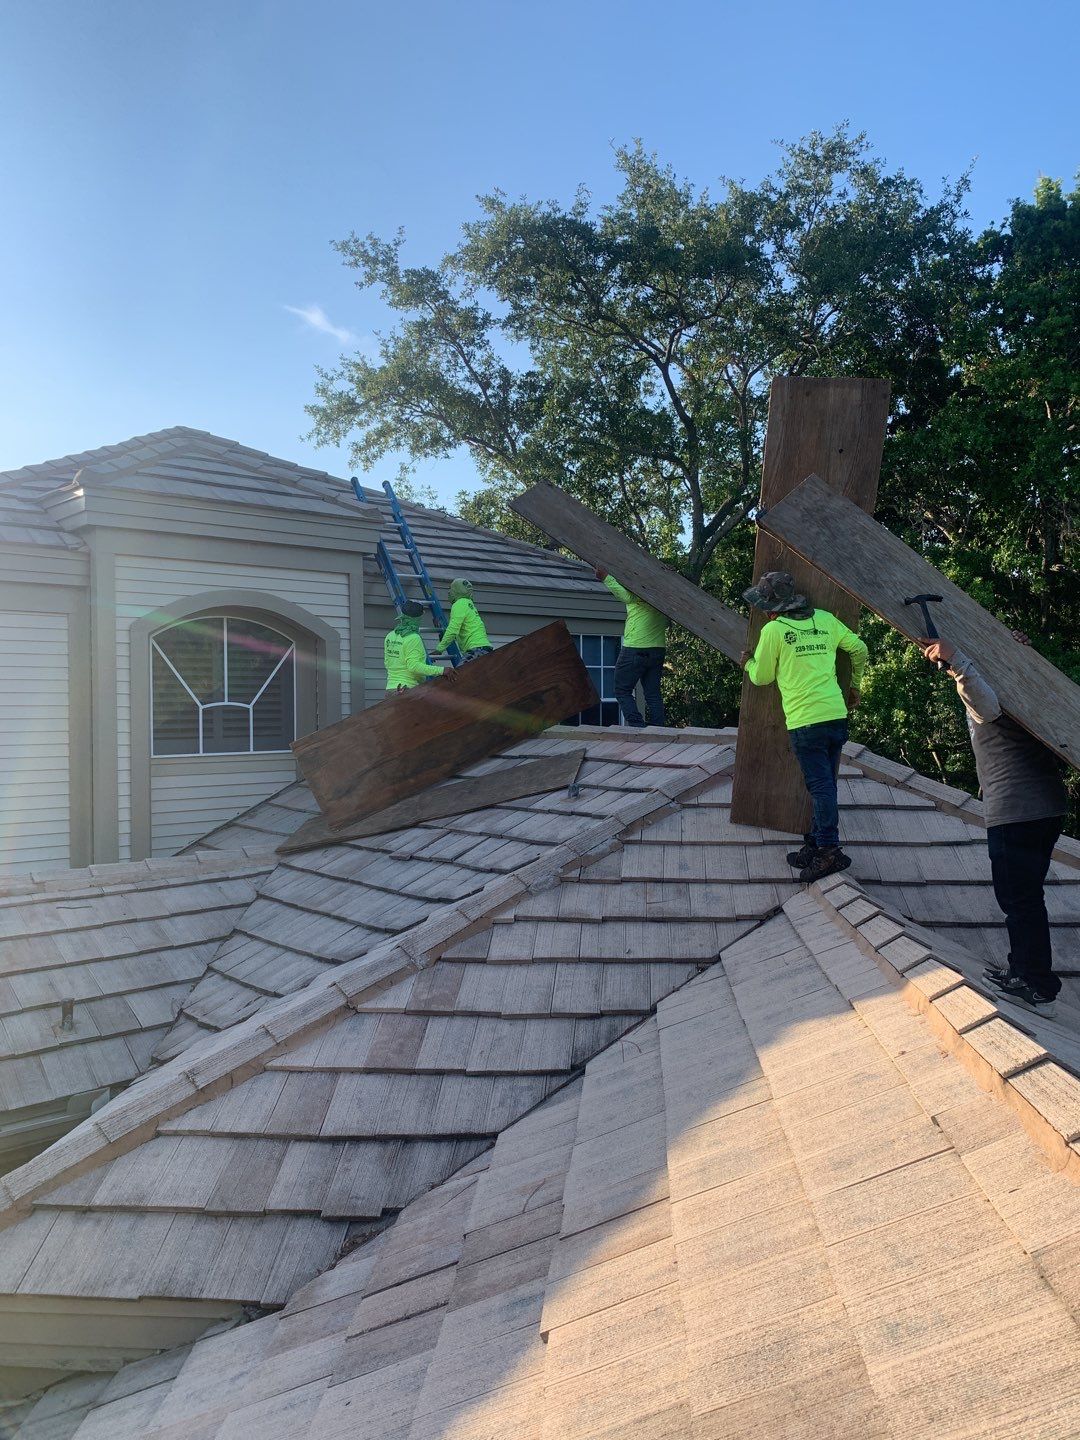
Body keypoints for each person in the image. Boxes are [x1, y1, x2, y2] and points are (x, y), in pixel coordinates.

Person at [920, 633, 1068, 1016]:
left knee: (1019, 900)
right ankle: (1027, 972)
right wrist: (1025, 649)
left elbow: (983, 706)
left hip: (1016, 811)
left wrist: (956, 660)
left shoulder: (992, 689)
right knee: (1027, 897)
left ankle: (1034, 983)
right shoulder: (1029, 688)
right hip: (1046, 807)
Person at [741, 570, 868, 884]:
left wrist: (747, 662)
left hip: (805, 721)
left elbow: (762, 677)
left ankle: (828, 851)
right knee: (824, 784)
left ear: (774, 608)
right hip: (835, 715)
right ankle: (813, 844)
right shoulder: (825, 619)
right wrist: (855, 686)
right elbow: (860, 649)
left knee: (820, 786)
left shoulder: (774, 631)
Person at [595, 568, 668, 727]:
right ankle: (659, 730)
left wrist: (606, 578)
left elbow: (625, 595)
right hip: (657, 648)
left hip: (635, 647)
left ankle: (638, 727)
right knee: (653, 694)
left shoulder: (639, 590)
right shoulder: (663, 596)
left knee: (622, 690)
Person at [384, 601, 445, 690]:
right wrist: (442, 670)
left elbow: (387, 663)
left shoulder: (390, 636)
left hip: (390, 689)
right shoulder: (413, 638)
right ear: (418, 618)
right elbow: (414, 666)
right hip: (407, 689)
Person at [436, 579, 492, 661]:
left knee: (461, 673)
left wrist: (439, 649)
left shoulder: (459, 604)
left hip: (476, 650)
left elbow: (453, 630)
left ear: (457, 590)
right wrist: (442, 634)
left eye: (451, 589)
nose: (449, 592)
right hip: (484, 648)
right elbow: (462, 631)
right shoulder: (468, 604)